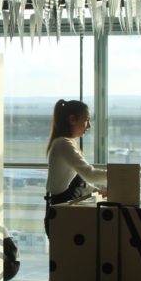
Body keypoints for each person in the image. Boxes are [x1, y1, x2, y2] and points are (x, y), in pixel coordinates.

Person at [44, 99, 106, 232]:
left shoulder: (64, 143)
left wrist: (98, 192)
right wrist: (124, 174)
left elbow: (79, 181)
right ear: (72, 119)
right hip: (62, 217)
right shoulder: (63, 144)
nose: (89, 126)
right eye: (86, 120)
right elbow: (90, 174)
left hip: (60, 213)